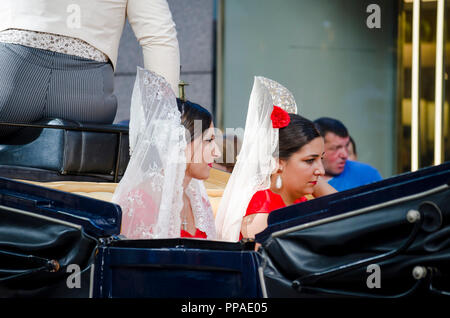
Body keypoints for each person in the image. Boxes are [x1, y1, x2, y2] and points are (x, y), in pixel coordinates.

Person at [0, 0, 180, 136]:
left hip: (12, 74)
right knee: (80, 167)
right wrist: (162, 123)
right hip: (88, 95)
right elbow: (159, 38)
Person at [215, 77, 336, 242]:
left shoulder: (297, 196)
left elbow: (342, 209)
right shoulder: (261, 210)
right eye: (310, 160)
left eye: (321, 159)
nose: (321, 170)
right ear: (278, 162)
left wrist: (313, 176)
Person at [112, 67, 220, 239]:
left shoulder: (197, 200)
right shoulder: (140, 202)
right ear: (180, 144)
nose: (217, 152)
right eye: (208, 141)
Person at [313, 117, 382, 192]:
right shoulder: (303, 181)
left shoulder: (367, 175)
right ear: (316, 148)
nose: (345, 155)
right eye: (336, 148)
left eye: (346, 146)